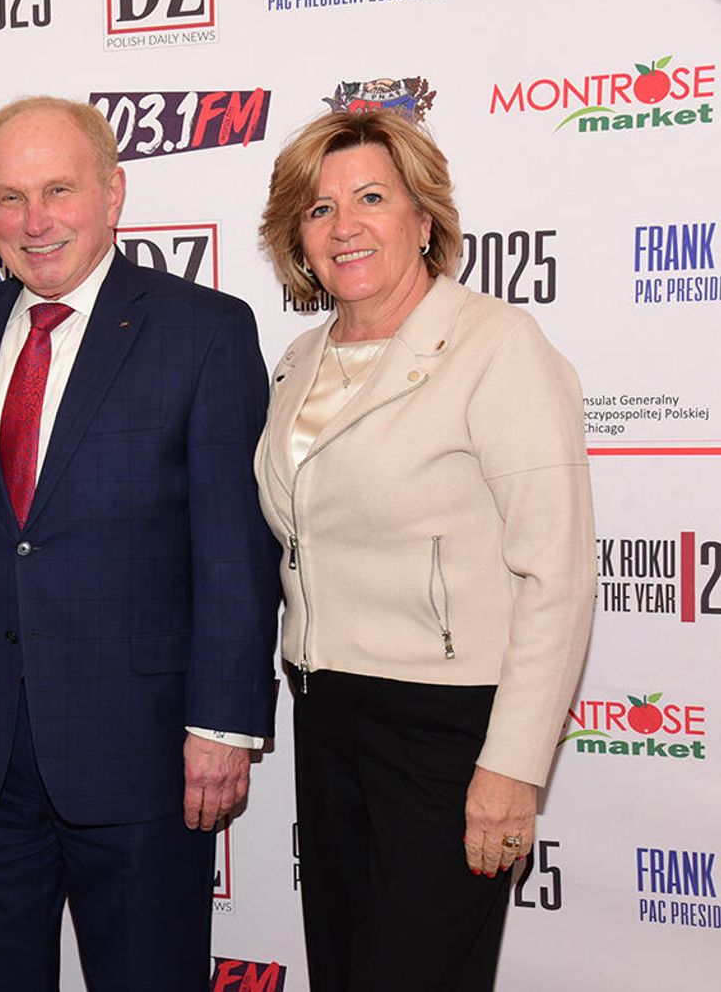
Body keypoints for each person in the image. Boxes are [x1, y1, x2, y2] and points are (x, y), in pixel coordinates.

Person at [0, 96, 281, 991]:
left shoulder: (204, 331)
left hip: (144, 755)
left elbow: (235, 552)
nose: (34, 221)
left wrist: (222, 725)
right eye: (10, 197)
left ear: (113, 193)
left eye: (58, 190)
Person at [254, 109, 595, 991]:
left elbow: (557, 575)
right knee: (344, 970)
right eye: (320, 208)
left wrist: (513, 768)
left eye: (372, 197)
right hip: (326, 715)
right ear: (299, 238)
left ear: (424, 217)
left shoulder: (496, 346)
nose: (345, 225)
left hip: (448, 732)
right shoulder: (299, 359)